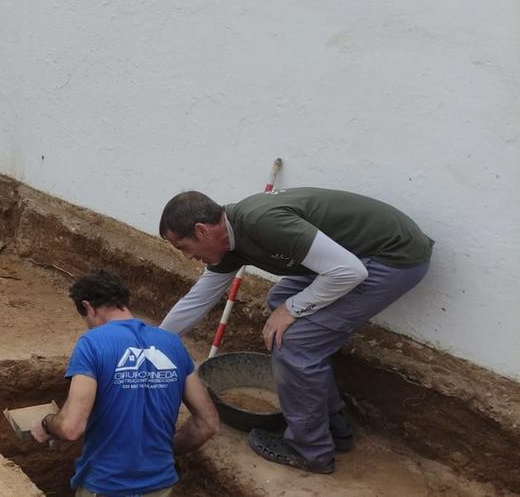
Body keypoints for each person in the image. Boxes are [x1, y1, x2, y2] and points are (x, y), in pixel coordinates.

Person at [157, 188, 434, 474]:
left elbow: (349, 272)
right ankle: (333, 425)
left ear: (202, 231)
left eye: (183, 247)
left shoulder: (262, 223)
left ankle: (309, 451)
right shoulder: (228, 245)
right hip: (352, 256)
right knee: (280, 300)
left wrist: (292, 310)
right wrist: (152, 342)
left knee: (294, 343)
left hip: (390, 257)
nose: (188, 257)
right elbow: (197, 299)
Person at [31, 270, 219, 496]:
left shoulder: (92, 343)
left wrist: (46, 424)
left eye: (86, 318)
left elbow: (71, 427)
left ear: (89, 307)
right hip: (160, 484)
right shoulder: (172, 343)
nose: (89, 325)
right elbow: (208, 423)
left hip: (107, 485)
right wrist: (163, 452)